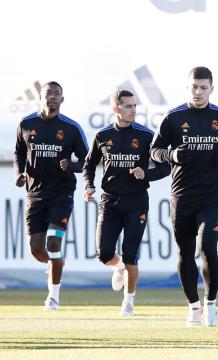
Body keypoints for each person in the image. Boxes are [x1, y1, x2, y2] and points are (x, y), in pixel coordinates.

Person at [151, 67, 218, 327]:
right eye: (193, 87)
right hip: (181, 195)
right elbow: (154, 151)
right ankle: (193, 307)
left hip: (212, 195)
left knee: (208, 247)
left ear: (211, 88)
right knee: (185, 253)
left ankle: (211, 304)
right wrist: (172, 155)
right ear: (187, 87)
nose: (198, 92)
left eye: (203, 87)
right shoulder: (174, 117)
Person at [83, 90, 170, 316]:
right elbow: (89, 164)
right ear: (116, 109)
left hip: (137, 202)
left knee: (131, 253)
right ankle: (118, 266)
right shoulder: (102, 136)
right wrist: (89, 185)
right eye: (128, 106)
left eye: (135, 106)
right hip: (109, 201)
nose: (133, 110)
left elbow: (166, 166)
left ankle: (128, 302)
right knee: (103, 254)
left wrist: (146, 174)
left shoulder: (145, 136)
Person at [13, 81, 88, 310]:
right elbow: (18, 152)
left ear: (62, 99)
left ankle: (53, 297)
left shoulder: (71, 128)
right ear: (41, 97)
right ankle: (57, 263)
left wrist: (72, 165)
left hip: (61, 194)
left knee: (54, 242)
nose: (52, 97)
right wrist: (19, 173)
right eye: (48, 93)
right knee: (36, 249)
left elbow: (87, 161)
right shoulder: (26, 124)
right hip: (35, 194)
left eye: (57, 94)